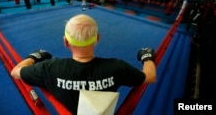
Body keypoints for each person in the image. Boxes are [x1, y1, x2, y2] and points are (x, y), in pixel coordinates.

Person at [11, 14, 156, 114]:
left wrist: (33, 57)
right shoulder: (116, 68)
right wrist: (147, 57)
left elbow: (16, 71)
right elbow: (150, 76)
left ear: (66, 42)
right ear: (97, 38)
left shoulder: (49, 68)